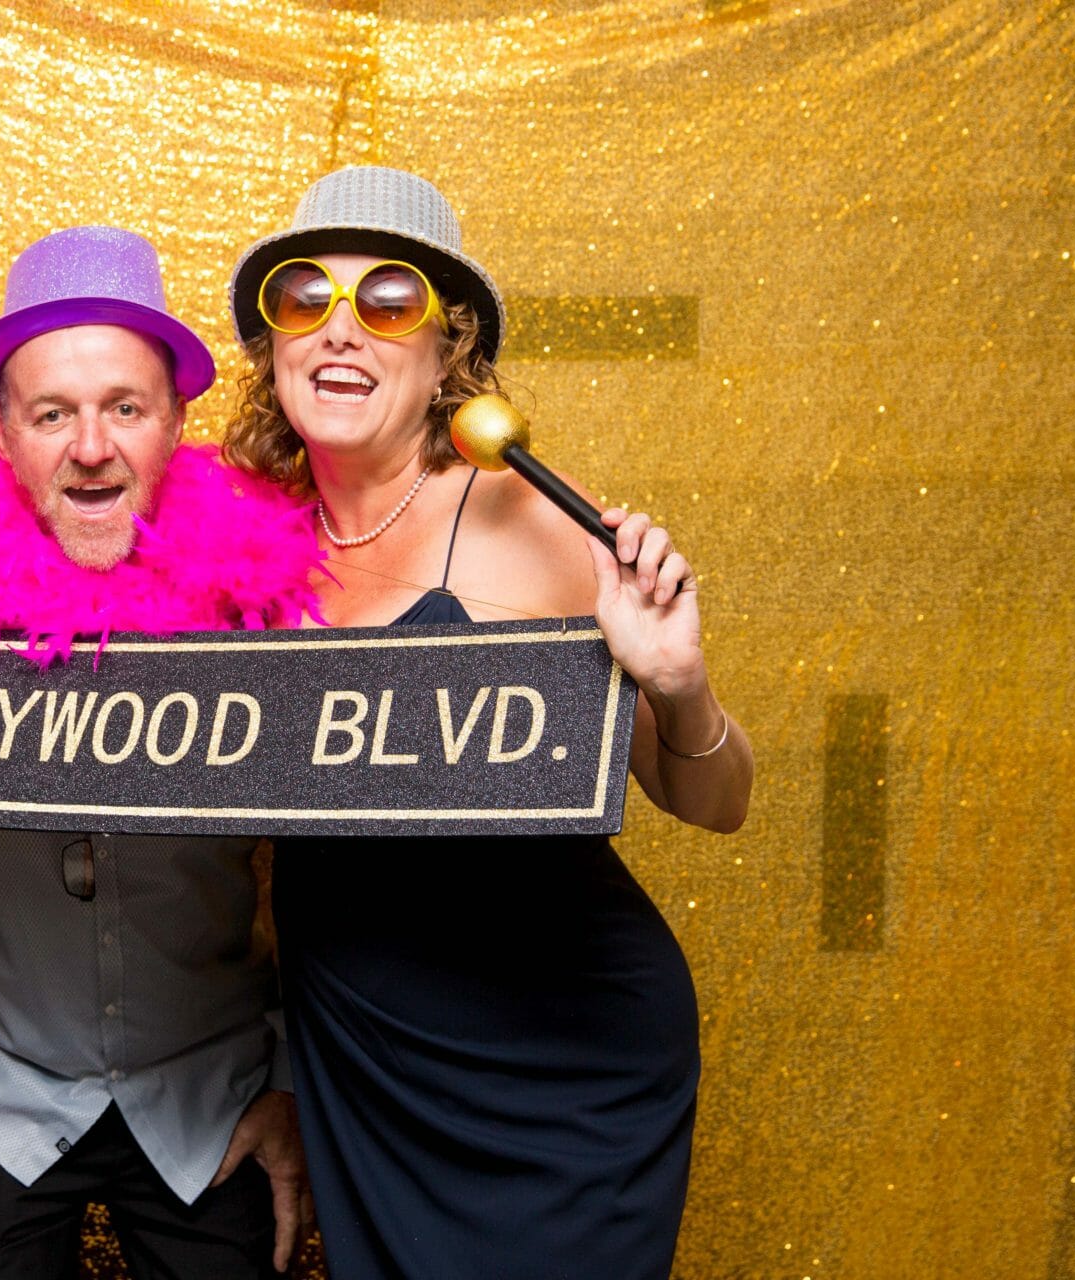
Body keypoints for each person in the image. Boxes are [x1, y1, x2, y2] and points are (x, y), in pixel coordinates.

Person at [222, 167, 755, 1279]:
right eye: (305, 297)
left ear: (445, 350)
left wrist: (677, 681)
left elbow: (716, 802)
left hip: (560, 1056)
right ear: (273, 347)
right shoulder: (234, 552)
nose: (342, 329)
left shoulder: (525, 517)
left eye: (390, 301)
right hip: (364, 1048)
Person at [0, 225, 320, 1280]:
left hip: (211, 1093)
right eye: (53, 413)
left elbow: (333, 853)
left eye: (124, 408)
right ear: (3, 436)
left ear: (175, 424)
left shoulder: (263, 604)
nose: (91, 446)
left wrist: (291, 1072)